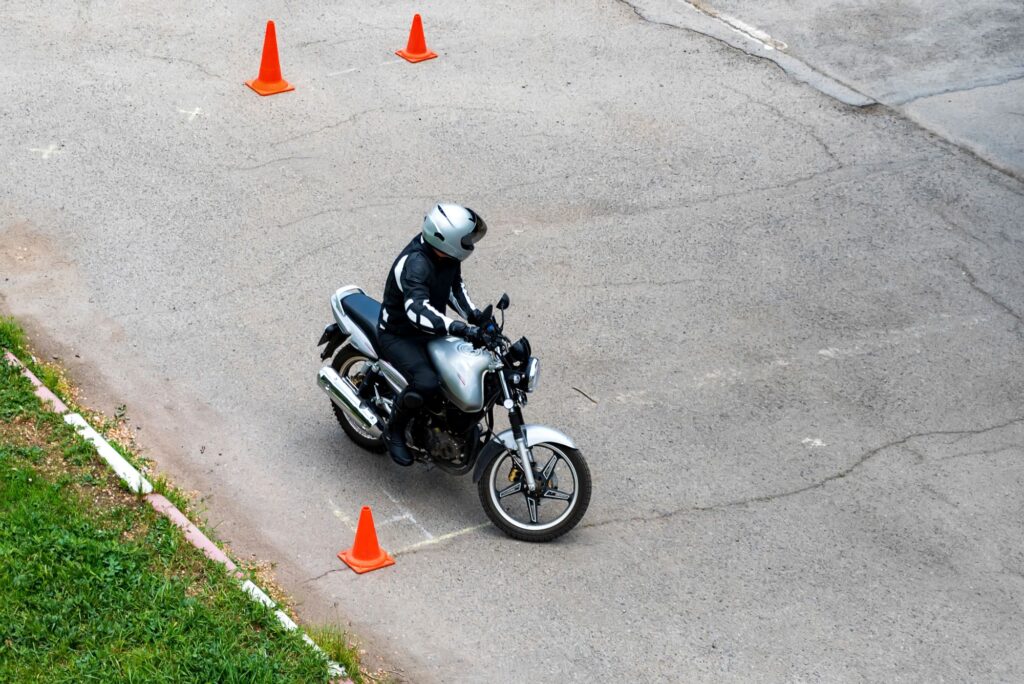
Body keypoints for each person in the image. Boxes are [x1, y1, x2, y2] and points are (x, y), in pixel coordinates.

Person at [377, 203, 488, 466]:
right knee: (427, 382)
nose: (470, 242)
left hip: (429, 330)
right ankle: (394, 431)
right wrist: (457, 327)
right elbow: (416, 311)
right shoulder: (416, 263)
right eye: (466, 238)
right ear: (446, 238)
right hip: (399, 334)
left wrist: (478, 318)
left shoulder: (447, 257)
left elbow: (455, 290)